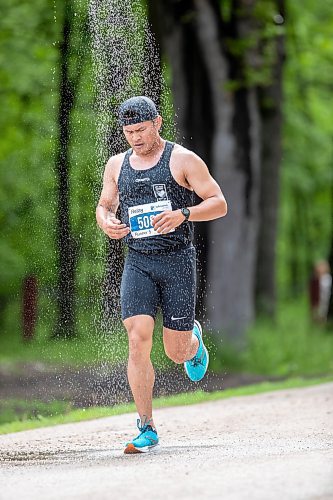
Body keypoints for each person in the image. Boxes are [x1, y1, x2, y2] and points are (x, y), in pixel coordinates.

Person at [96, 96, 227, 454]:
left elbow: (218, 202)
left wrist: (183, 214)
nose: (135, 138)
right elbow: (106, 204)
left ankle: (193, 342)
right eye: (128, 132)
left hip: (176, 262)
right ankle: (146, 426)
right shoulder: (116, 165)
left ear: (157, 122)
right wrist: (105, 221)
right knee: (137, 338)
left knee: (175, 352)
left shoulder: (183, 160)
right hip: (138, 261)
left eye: (140, 130)